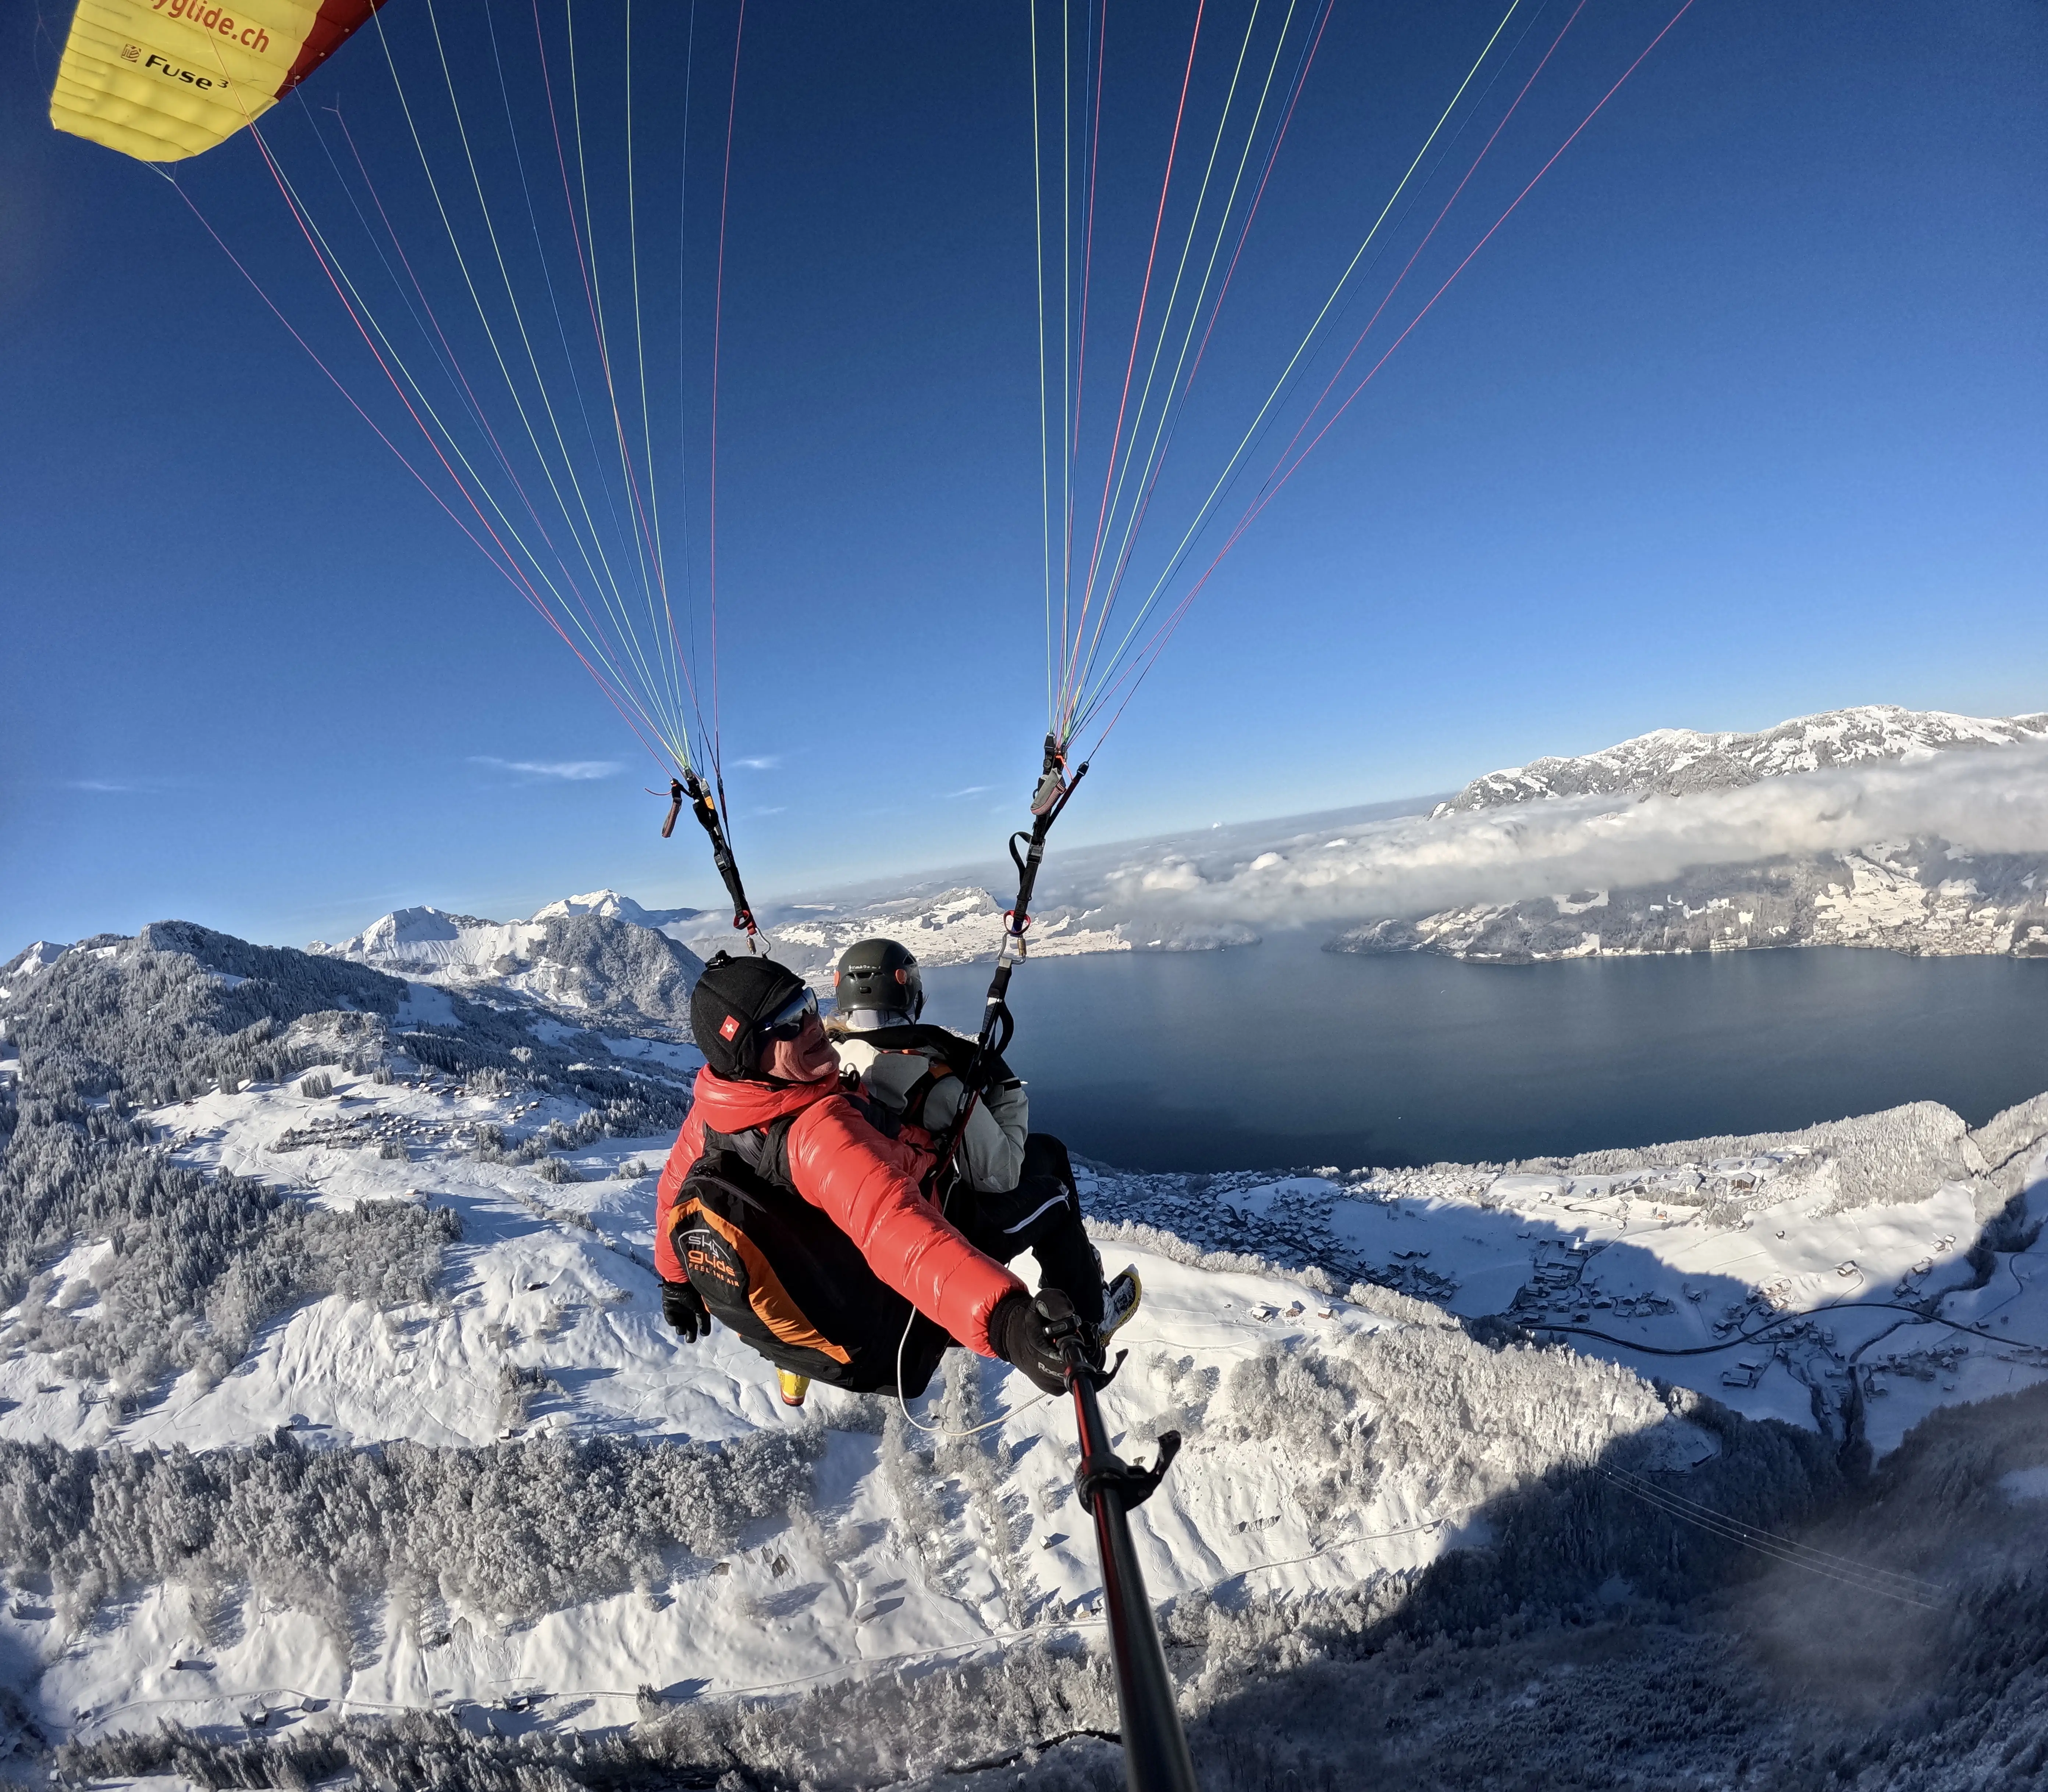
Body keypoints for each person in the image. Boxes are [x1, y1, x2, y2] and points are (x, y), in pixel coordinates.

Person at [654, 950, 1089, 1407]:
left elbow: (672, 1200)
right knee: (1052, 1196)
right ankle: (1087, 1327)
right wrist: (1007, 1323)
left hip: (819, 1316)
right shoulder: (818, 1134)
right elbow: (898, 1231)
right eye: (786, 1024)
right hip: (893, 1332)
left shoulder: (714, 1114)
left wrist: (675, 1282)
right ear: (748, 1058)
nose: (811, 1024)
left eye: (806, 1003)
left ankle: (792, 1373)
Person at [828, 937, 1138, 1344]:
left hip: (866, 1222)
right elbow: (1002, 1175)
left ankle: (1073, 1272)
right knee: (1055, 1195)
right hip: (941, 1235)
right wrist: (1006, 1095)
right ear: (911, 996)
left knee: (1048, 1151)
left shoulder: (831, 1061)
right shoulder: (929, 1083)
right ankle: (1090, 1319)